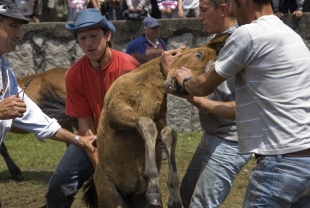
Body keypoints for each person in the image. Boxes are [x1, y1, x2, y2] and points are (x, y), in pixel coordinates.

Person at [163, 0, 310, 207]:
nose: (231, 9)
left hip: (280, 162)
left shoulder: (248, 34)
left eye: (231, 2)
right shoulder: (290, 35)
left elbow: (203, 86)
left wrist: (182, 77)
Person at [44, 8, 139, 207]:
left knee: (137, 195)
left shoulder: (128, 67)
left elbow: (137, 118)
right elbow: (85, 126)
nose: (88, 43)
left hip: (126, 141)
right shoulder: (74, 74)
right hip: (91, 139)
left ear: (108, 35)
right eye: (82, 37)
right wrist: (101, 172)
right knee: (58, 184)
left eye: (94, 36)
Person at [162, 0, 251, 207]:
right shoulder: (216, 40)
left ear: (222, 10)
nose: (198, 17)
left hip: (232, 137)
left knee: (201, 203)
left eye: (203, 10)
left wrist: (177, 75)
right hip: (214, 132)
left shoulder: (237, 41)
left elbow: (201, 90)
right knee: (184, 194)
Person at [0, 0, 96, 172]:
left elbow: (38, 120)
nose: (20, 34)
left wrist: (77, 140)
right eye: (14, 26)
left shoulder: (6, 73)